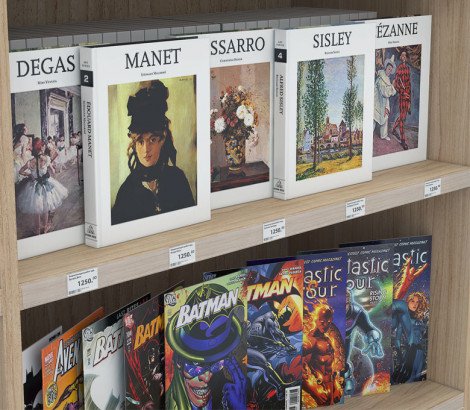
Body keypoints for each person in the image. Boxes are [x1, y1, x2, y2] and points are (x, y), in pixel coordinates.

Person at [111, 80, 195, 225]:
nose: (146, 149)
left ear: (162, 140)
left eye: (152, 140)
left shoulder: (177, 179)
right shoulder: (126, 191)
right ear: (134, 145)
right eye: (140, 141)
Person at [17, 138, 68, 235]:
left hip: (34, 186)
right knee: (45, 206)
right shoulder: (46, 159)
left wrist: (30, 175)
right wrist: (50, 169)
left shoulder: (30, 162)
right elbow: (52, 171)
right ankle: (45, 227)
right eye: (43, 146)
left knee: (37, 208)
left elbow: (20, 171)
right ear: (42, 148)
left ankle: (37, 229)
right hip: (45, 184)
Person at [303, 306, 342, 406]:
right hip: (318, 387)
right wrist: (313, 390)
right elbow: (297, 368)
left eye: (328, 322)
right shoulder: (310, 341)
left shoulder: (327, 340)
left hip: (330, 387)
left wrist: (336, 387)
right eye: (322, 321)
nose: (325, 325)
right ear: (315, 319)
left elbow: (331, 368)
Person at [374, 55, 397, 141]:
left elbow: (387, 96)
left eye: (391, 70)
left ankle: (383, 135)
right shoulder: (381, 77)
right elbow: (384, 93)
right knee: (374, 117)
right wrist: (392, 86)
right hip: (377, 102)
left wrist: (387, 107)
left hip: (383, 102)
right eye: (388, 69)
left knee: (385, 117)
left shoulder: (387, 78)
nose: (389, 71)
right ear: (386, 68)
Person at [392, 50, 412, 150]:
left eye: (405, 55)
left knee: (402, 116)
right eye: (402, 55)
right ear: (400, 57)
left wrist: (409, 101)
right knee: (403, 118)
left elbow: (409, 85)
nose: (404, 57)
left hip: (407, 96)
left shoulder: (408, 69)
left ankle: (394, 129)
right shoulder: (399, 69)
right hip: (402, 96)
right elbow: (396, 85)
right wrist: (402, 92)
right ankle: (403, 140)